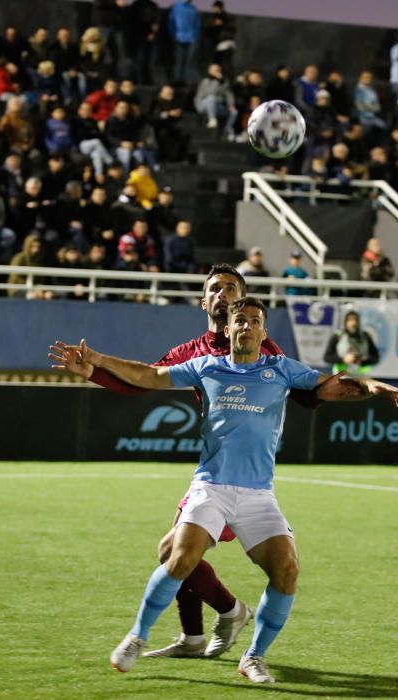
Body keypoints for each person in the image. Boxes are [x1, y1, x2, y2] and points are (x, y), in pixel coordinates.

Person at [49, 296, 398, 683]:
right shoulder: (206, 366)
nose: (247, 326)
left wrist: (368, 385)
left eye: (255, 320)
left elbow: (330, 387)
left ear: (263, 331)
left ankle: (254, 656)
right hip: (212, 487)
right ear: (229, 328)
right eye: (241, 320)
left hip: (258, 495)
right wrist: (97, 360)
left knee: (286, 571)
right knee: (180, 556)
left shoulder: (281, 369)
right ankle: (137, 636)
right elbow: (149, 375)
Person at [48, 263, 323, 660]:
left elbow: (300, 389)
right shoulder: (192, 352)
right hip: (215, 470)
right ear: (204, 301)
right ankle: (204, 630)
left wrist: (335, 390)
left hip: (245, 476)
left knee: (174, 552)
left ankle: (223, 616)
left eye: (232, 289)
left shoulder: (260, 343)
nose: (224, 295)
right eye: (216, 289)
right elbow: (142, 378)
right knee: (175, 553)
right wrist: (94, 371)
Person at [323, 310, 380, 375]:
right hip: (341, 378)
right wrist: (343, 359)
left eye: (355, 320)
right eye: (350, 320)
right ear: (345, 322)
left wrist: (362, 360)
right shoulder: (337, 336)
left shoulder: (365, 337)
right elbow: (327, 357)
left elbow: (376, 358)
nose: (353, 323)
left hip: (361, 378)